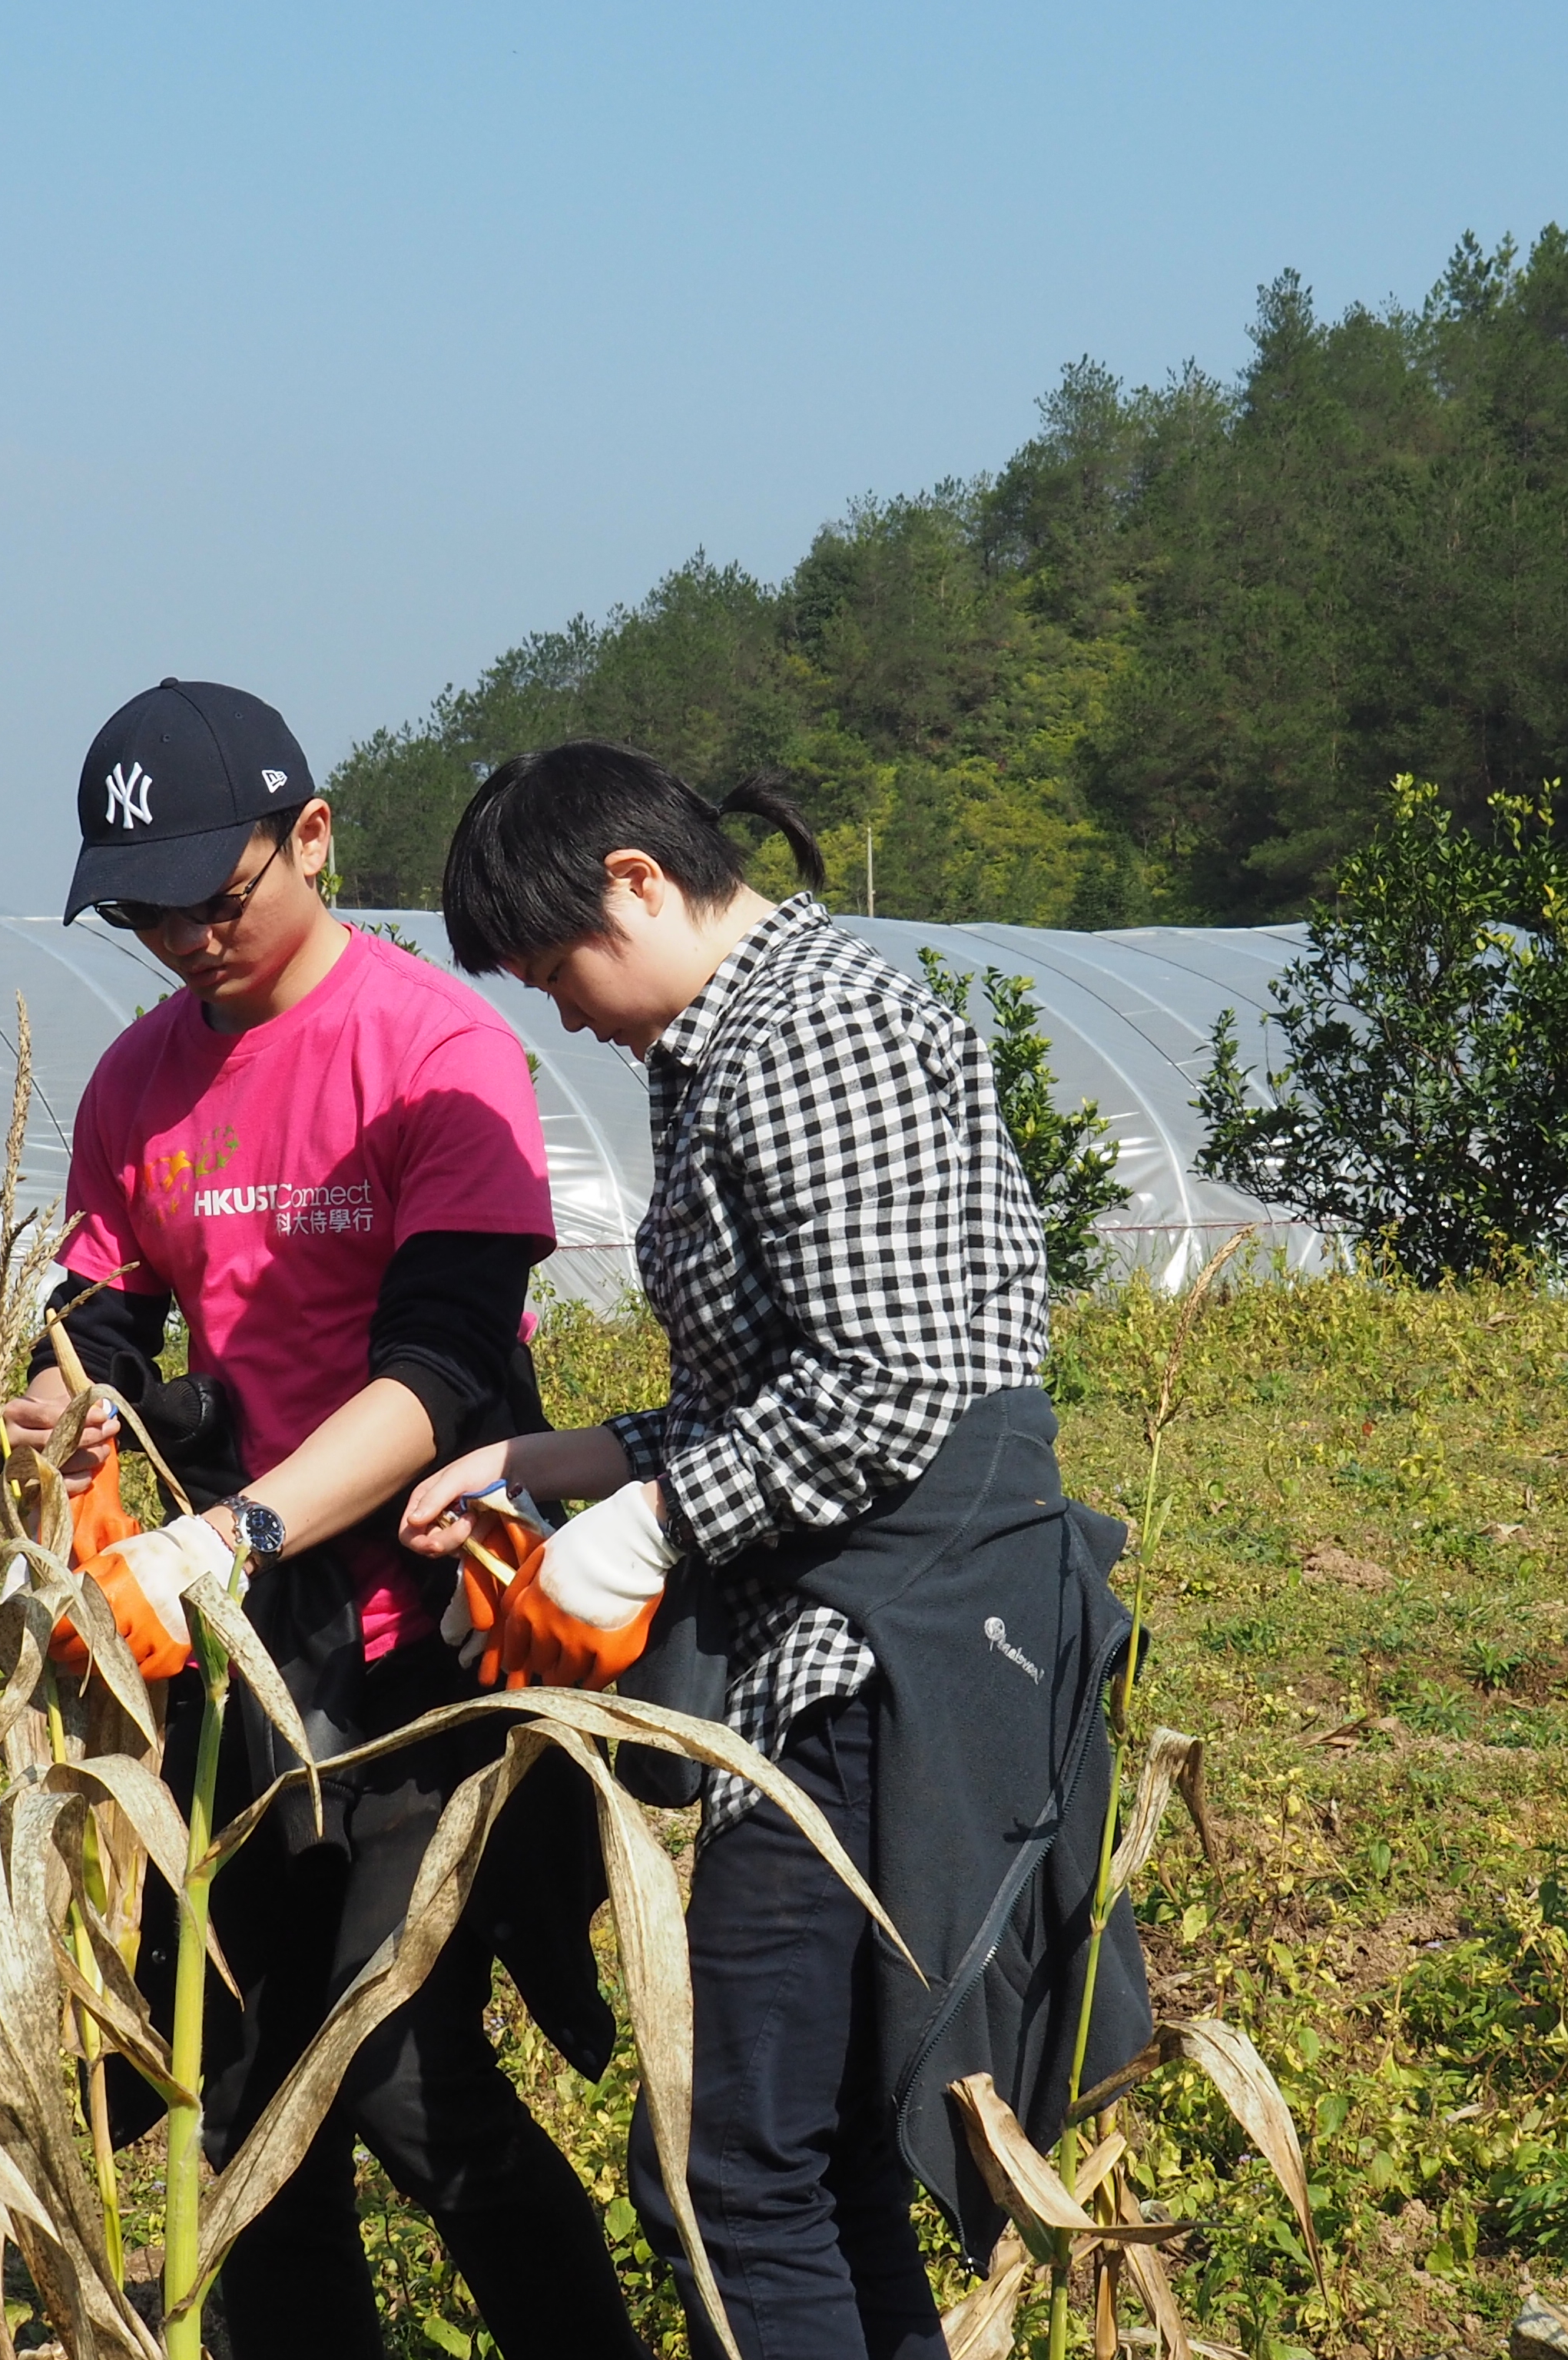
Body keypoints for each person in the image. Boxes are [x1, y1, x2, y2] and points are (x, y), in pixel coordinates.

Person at [400, 739, 1149, 2360]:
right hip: (839, 1647)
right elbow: (774, 1393)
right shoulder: (725, 1046)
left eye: (558, 969)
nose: (563, 1015)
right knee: (816, 2158)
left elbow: (889, 1394)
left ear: (640, 884)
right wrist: (549, 1460)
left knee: (731, 2166)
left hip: (898, 1651)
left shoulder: (818, 1031)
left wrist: (650, 1524)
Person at [0, 679, 638, 2360]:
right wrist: (76, 1398)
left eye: (219, 900)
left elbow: (442, 1373)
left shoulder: (436, 1050)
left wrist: (242, 1533)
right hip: (230, 1664)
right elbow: (100, 1317)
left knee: (398, 2073)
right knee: (243, 2091)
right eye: (146, 915)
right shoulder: (138, 1082)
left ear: (311, 839)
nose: (186, 943)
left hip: (413, 1643)